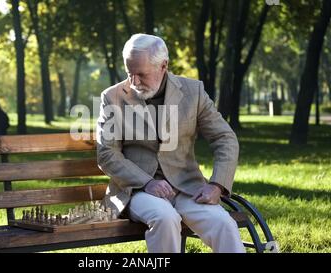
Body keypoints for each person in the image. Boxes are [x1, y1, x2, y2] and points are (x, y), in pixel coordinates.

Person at [96, 33, 245, 253]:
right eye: (130, 74)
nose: (134, 82)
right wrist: (147, 182)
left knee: (224, 224)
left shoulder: (193, 92)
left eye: (141, 74)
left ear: (163, 65)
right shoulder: (112, 97)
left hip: (187, 188)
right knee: (165, 218)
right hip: (137, 191)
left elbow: (225, 138)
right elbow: (107, 153)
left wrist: (217, 185)